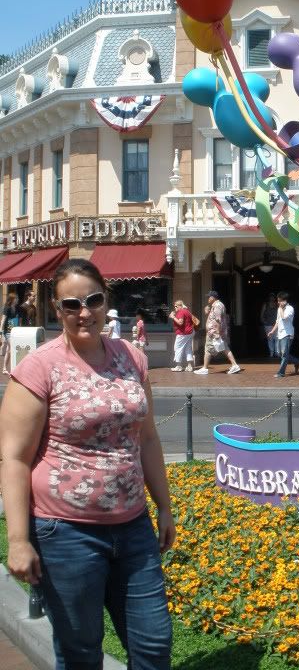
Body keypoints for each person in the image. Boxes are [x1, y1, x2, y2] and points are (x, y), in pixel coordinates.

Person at [0, 258, 175, 669]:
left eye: (93, 300)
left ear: (105, 301)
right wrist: (19, 540)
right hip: (66, 533)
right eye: (71, 304)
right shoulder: (39, 368)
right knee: (80, 652)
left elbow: (147, 437)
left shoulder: (132, 358)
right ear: (56, 309)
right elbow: (14, 458)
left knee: (154, 644)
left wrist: (164, 506)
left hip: (133, 527)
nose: (84, 312)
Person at [194, 291, 240, 375]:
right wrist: (207, 312)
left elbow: (218, 320)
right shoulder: (216, 305)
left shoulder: (217, 305)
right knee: (224, 348)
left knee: (209, 349)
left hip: (214, 332)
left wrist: (217, 332)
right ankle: (234, 365)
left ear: (213, 297)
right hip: (215, 331)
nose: (208, 299)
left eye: (209, 297)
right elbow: (214, 318)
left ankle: (205, 368)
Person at [268, 291, 299, 379]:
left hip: (287, 334)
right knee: (279, 353)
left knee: (284, 354)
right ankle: (297, 361)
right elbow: (278, 321)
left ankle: (281, 373)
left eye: (280, 301)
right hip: (280, 334)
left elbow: (284, 318)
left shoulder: (290, 308)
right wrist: (272, 331)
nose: (278, 302)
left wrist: (281, 309)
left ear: (285, 300)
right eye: (278, 301)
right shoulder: (279, 309)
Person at [169, 299, 194, 372]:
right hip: (190, 332)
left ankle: (178, 366)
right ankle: (189, 366)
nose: (175, 308)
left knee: (177, 348)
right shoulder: (187, 311)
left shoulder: (181, 312)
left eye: (176, 306)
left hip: (183, 333)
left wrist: (173, 317)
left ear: (180, 306)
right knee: (188, 348)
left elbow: (180, 322)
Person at [0, 291, 20, 375]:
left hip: (14, 331)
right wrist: (1, 332)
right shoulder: (7, 308)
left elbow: (18, 320)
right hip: (8, 332)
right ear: (12, 299)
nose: (17, 299)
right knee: (12, 348)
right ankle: (14, 368)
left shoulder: (17, 308)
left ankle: (4, 368)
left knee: (9, 350)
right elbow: (3, 320)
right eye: (16, 298)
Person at [260, 293, 279, 360]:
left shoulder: (277, 304)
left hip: (276, 324)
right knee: (270, 339)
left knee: (277, 338)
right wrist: (264, 321)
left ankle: (277, 353)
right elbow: (262, 314)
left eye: (273, 297)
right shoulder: (266, 305)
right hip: (268, 324)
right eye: (271, 296)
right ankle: (271, 353)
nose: (272, 298)